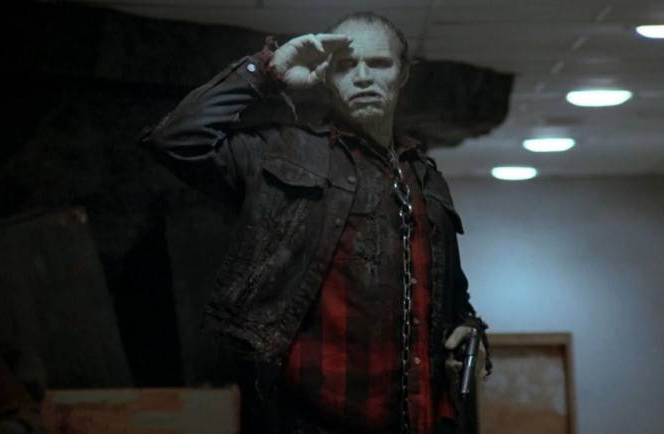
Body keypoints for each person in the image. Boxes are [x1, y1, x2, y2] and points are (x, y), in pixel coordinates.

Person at [141, 11, 489, 434]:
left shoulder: (425, 177)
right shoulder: (285, 153)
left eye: (379, 63)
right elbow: (175, 139)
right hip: (311, 418)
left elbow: (448, 289)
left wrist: (466, 324)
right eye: (345, 65)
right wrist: (268, 71)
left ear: (402, 75)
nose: (363, 77)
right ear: (326, 75)